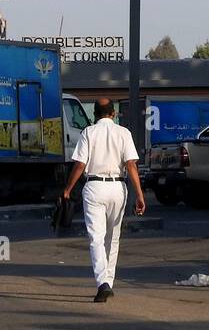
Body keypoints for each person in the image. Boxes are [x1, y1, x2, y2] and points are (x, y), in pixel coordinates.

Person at [61, 98, 146, 302]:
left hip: (94, 187)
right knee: (113, 238)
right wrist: (140, 195)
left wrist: (67, 189)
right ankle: (109, 281)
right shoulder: (124, 133)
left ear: (94, 114)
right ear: (113, 114)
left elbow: (80, 165)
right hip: (118, 187)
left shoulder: (88, 132)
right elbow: (132, 165)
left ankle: (103, 283)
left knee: (96, 238)